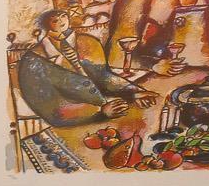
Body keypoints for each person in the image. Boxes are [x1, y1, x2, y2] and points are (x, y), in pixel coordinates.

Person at [14, 8, 143, 129]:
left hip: (110, 109)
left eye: (63, 16)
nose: (61, 21)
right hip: (74, 123)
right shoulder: (33, 60)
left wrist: (133, 91)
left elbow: (103, 76)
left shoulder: (89, 42)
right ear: (46, 26)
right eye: (55, 20)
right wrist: (99, 111)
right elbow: (51, 108)